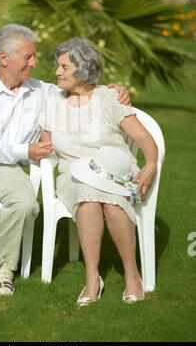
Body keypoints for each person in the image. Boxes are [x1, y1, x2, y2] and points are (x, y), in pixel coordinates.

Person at [0, 25, 130, 297]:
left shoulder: (42, 91)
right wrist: (24, 151)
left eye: (34, 56)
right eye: (28, 57)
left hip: (8, 168)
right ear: (4, 58)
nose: (34, 63)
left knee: (26, 205)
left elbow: (80, 84)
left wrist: (114, 91)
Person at [38, 37, 158, 305]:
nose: (57, 71)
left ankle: (131, 275)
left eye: (64, 67)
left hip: (115, 168)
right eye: (58, 66)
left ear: (83, 70)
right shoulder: (52, 103)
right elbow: (46, 149)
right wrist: (37, 153)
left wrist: (150, 165)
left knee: (110, 200)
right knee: (88, 192)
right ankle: (92, 278)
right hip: (72, 174)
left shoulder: (109, 97)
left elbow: (144, 139)